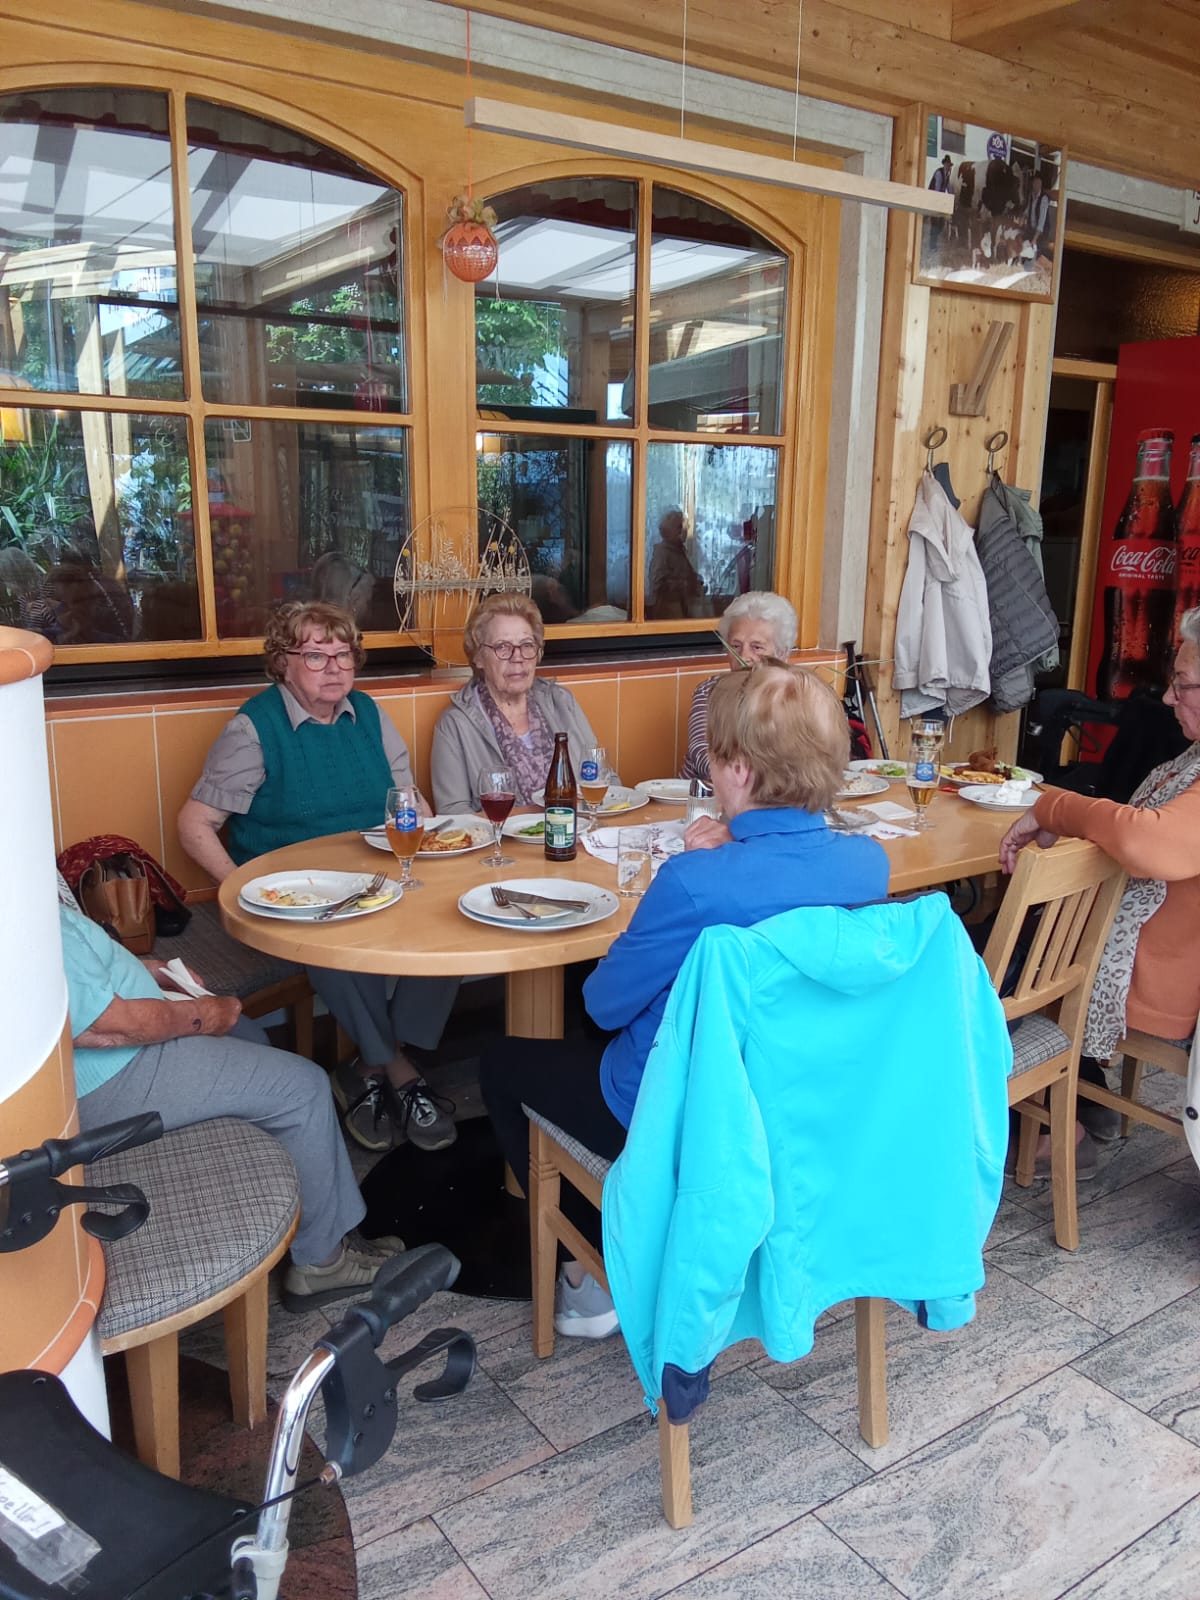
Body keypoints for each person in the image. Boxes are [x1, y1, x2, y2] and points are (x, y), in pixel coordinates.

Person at [480, 663, 890, 1338]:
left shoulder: (696, 882)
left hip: (682, 1116)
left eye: (717, 759)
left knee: (501, 1064)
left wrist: (691, 874)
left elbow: (602, 1006)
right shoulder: (868, 864)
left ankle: (594, 1274)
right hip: (796, 1102)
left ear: (738, 771)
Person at [177, 600, 458, 1156]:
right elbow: (194, 824)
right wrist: (243, 893)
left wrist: (429, 850)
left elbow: (409, 801)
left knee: (451, 920)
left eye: (344, 654)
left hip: (376, 880)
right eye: (315, 656)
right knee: (335, 941)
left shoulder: (368, 714)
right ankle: (398, 1070)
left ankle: (366, 1068)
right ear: (282, 663)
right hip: (298, 896)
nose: (334, 668)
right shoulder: (254, 728)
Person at [60, 901, 397, 1311]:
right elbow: (107, 1026)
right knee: (303, 1087)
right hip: (105, 1076)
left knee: (249, 1036)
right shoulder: (16, 903)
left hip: (104, 1062)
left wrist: (146, 971)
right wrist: (200, 1016)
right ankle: (322, 1264)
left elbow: (76, 975)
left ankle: (295, 1215)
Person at [999, 606, 1200, 1162]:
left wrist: (1052, 807)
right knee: (1015, 933)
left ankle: (1048, 1128)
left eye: (1183, 684)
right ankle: (1083, 1097)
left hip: (1156, 979)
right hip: (1148, 948)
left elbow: (1145, 842)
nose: (1167, 698)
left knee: (990, 954)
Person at [430, 592, 604, 814]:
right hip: (501, 836)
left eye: (527, 645)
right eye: (502, 646)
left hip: (573, 830)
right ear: (478, 657)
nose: (517, 657)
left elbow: (602, 776)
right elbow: (453, 813)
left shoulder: (561, 701)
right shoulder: (455, 724)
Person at [679, 590, 798, 785]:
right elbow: (701, 752)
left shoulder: (796, 696)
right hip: (707, 795)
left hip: (773, 794)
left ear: (783, 653)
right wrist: (748, 781)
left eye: (756, 647)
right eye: (735, 646)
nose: (743, 656)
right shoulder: (710, 692)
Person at [646, 507, 705, 622]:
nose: (684, 531)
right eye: (680, 528)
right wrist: (685, 584)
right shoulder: (662, 553)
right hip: (668, 613)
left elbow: (684, 574)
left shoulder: (679, 551)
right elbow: (657, 585)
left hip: (682, 609)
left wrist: (695, 581)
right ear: (669, 531)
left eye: (684, 528)